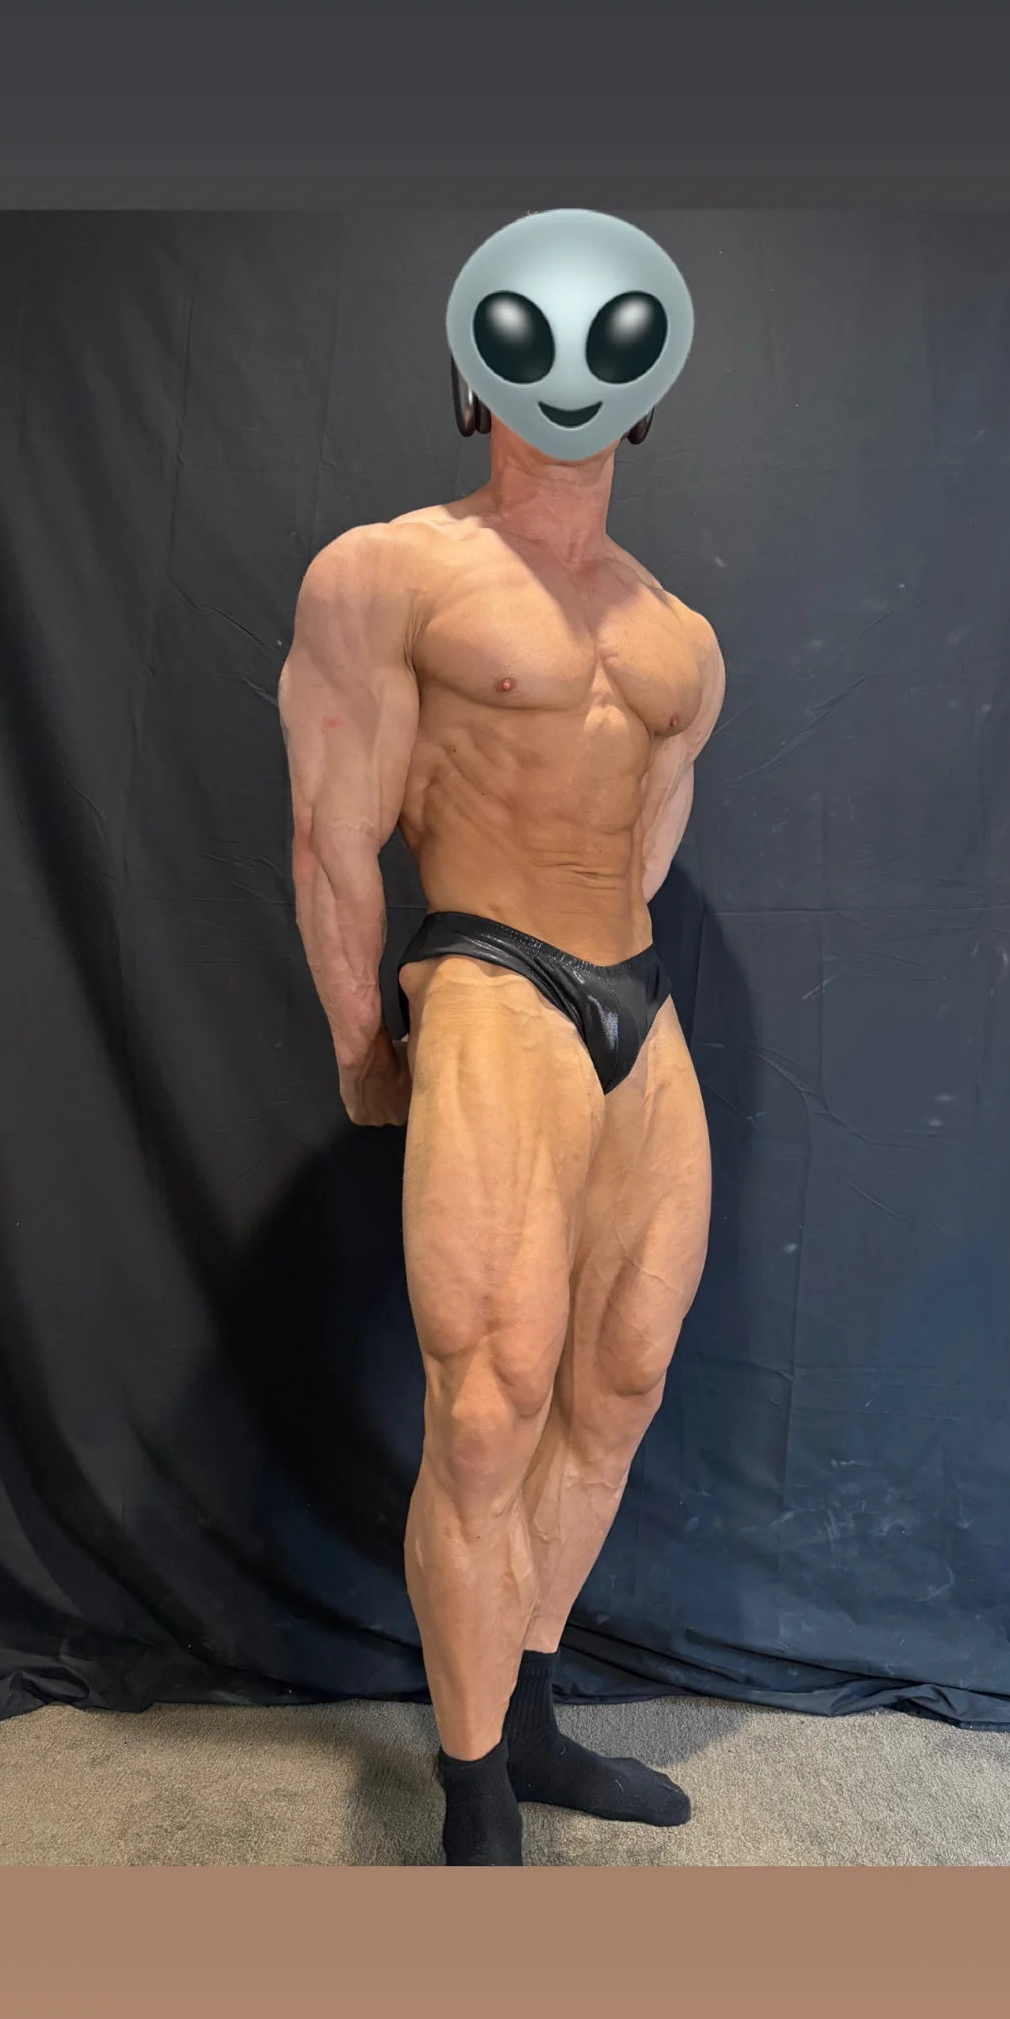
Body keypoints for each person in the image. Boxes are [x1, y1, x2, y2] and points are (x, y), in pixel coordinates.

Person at [278, 214, 724, 1863]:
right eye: (528, 342)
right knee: (487, 1407)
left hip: (636, 1005)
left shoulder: (680, 637)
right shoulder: (390, 571)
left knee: (621, 1378)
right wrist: (367, 1048)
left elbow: (647, 846)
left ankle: (526, 1716)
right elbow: (332, 837)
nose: (569, 378)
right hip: (486, 976)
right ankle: (470, 1790)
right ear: (475, 374)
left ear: (649, 380)